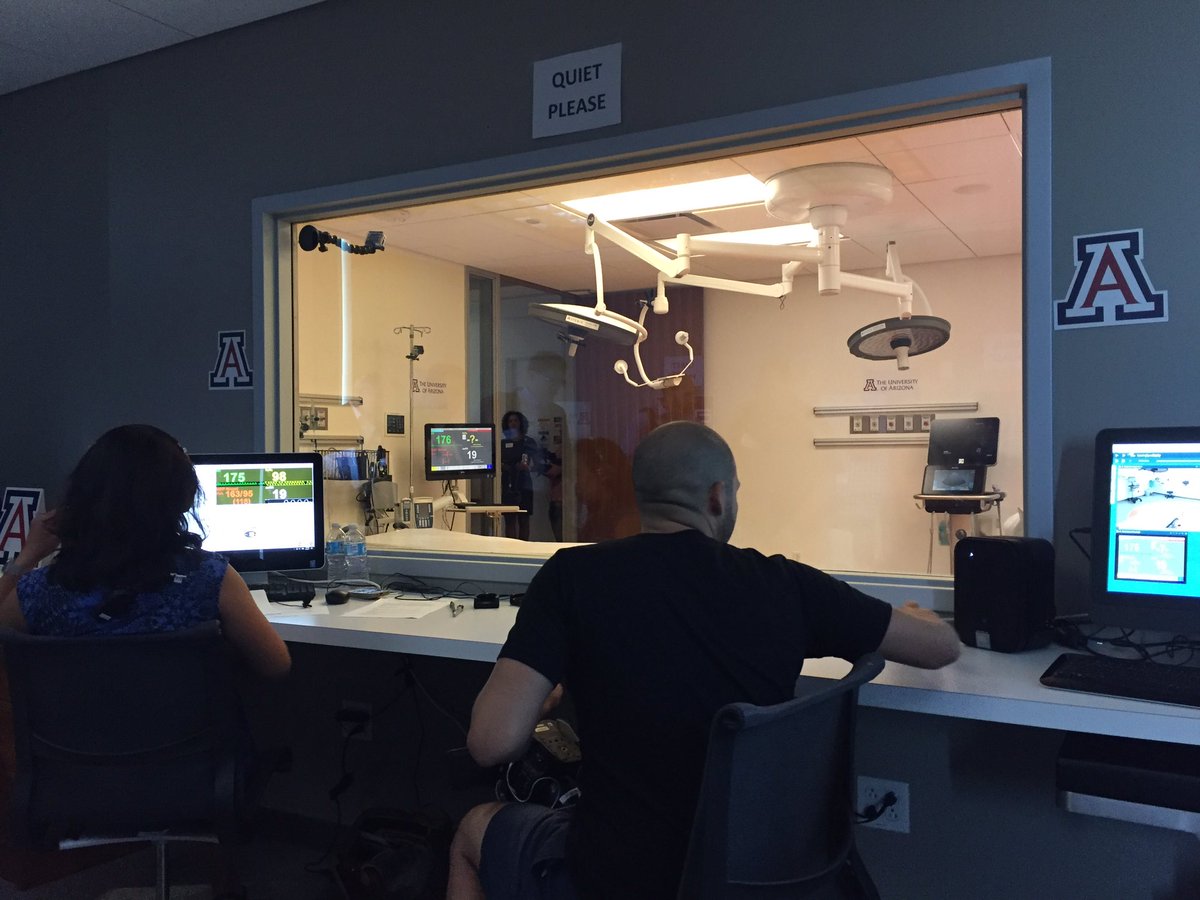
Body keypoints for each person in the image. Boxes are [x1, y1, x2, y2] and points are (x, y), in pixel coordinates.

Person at [448, 421, 960, 899]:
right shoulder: (785, 585)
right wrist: (916, 615)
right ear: (718, 497)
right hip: (760, 871)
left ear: (641, 496)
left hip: (617, 874)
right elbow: (940, 648)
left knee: (472, 831)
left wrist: (543, 701)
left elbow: (491, 743)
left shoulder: (571, 577)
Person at [0, 423, 290, 675]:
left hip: (73, 725)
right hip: (184, 724)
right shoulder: (210, 578)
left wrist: (28, 557)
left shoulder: (40, 590)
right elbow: (275, 665)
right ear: (185, 499)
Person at [500, 410, 539, 541]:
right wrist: (503, 466)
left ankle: (524, 546)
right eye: (510, 421)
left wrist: (527, 467)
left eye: (515, 420)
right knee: (509, 519)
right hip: (507, 484)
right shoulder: (502, 444)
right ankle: (510, 547)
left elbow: (536, 464)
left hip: (524, 484)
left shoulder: (529, 442)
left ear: (521, 423)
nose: (513, 423)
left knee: (524, 519)